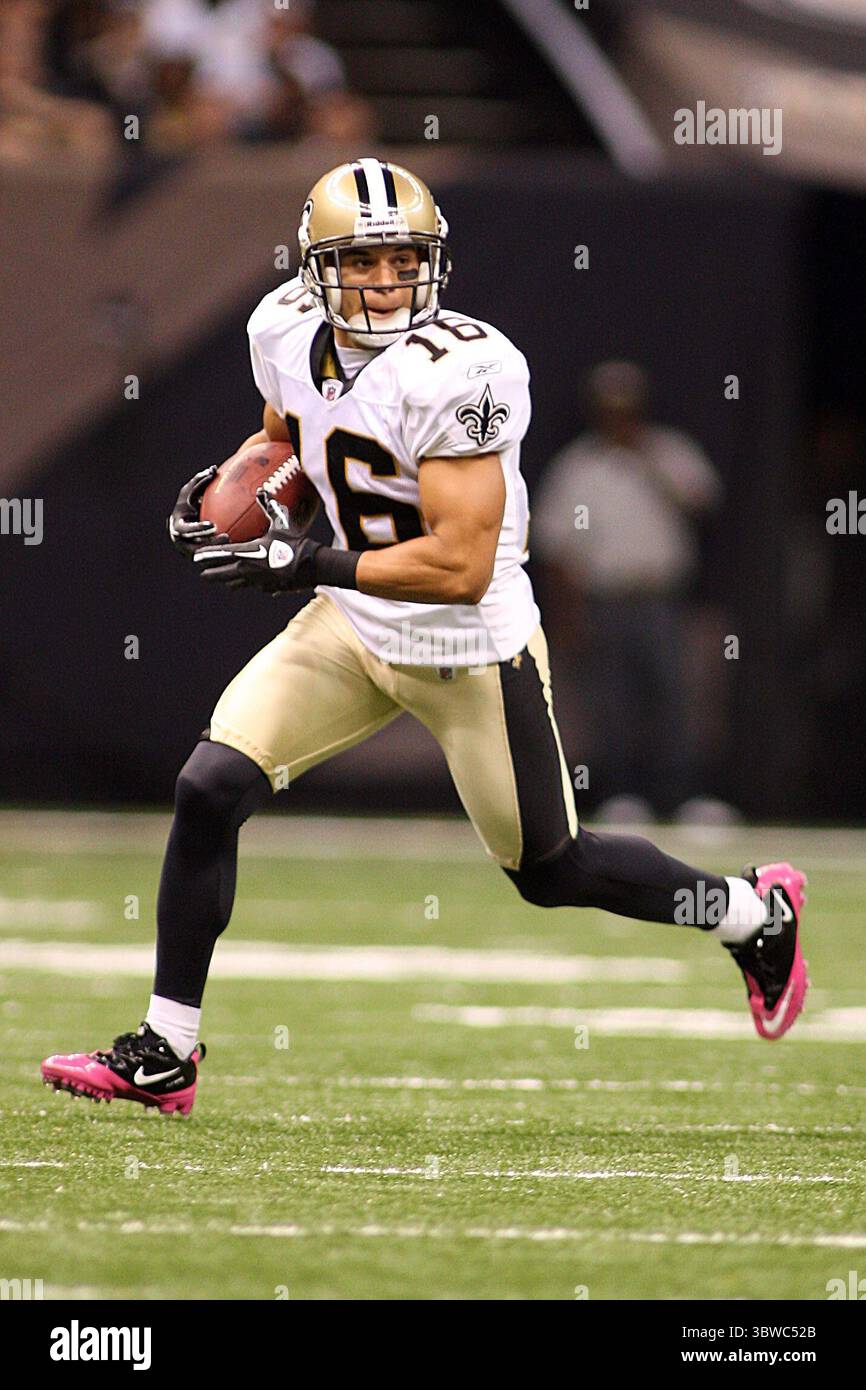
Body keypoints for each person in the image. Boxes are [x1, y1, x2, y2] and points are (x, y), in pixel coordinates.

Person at [41, 159, 809, 1115]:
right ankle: (167, 1050)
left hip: (467, 648)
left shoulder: (467, 369)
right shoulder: (280, 326)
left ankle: (751, 912)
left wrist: (301, 563)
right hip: (352, 627)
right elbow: (283, 435)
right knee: (209, 789)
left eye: (405, 260)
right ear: (319, 267)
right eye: (362, 263)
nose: (386, 282)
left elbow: (460, 565)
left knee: (552, 870)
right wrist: (228, 488)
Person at [533, 361, 723, 819]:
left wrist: (646, 462)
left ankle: (683, 797)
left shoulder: (671, 452)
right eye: (609, 409)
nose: (619, 418)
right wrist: (567, 616)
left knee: (674, 698)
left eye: (627, 408)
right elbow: (558, 549)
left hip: (661, 597)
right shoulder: (578, 467)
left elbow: (702, 504)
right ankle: (621, 796)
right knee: (610, 703)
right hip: (605, 600)